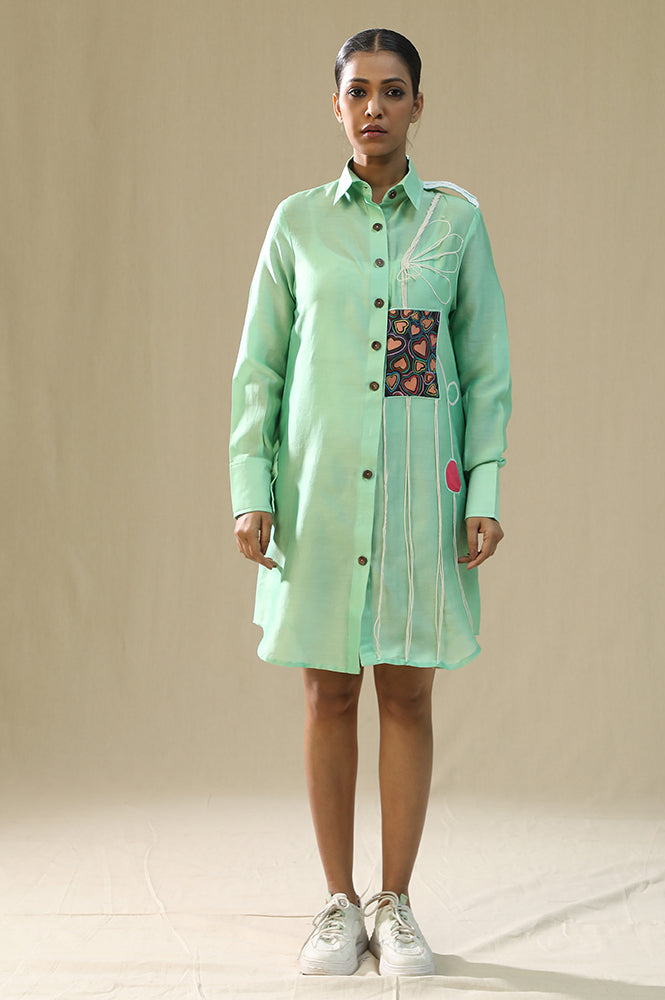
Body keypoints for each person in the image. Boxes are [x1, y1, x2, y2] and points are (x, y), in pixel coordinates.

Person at [229, 27, 511, 977]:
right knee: (327, 690)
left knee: (407, 690)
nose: (375, 108)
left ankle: (395, 903)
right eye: (359, 91)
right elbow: (261, 369)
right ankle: (337, 903)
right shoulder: (297, 225)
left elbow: (484, 366)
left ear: (418, 105)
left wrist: (484, 488)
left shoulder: (454, 226)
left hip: (417, 500)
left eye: (394, 91)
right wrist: (252, 490)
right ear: (337, 105)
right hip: (318, 497)